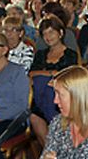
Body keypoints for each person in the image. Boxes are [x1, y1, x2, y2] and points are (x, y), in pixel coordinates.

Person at [29, 15, 79, 146]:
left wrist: (48, 77)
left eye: (51, 32)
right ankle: (53, 150)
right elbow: (31, 73)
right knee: (34, 116)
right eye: (44, 34)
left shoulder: (70, 54)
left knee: (49, 89)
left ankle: (55, 149)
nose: (48, 37)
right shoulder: (40, 54)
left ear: (61, 33)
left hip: (60, 99)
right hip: (41, 98)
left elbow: (68, 76)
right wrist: (51, 74)